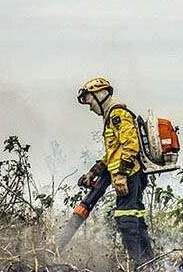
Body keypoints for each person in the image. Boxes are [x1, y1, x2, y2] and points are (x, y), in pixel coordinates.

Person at [76, 77, 153, 266]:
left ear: (100, 95)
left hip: (129, 176)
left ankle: (139, 265)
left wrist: (121, 175)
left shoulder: (117, 114)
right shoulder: (111, 117)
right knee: (135, 220)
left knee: (126, 219)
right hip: (129, 175)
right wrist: (94, 172)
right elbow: (113, 154)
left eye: (90, 102)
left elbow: (131, 146)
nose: (91, 108)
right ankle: (149, 263)